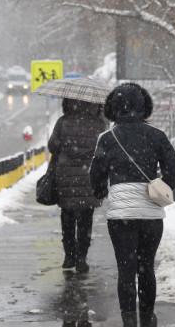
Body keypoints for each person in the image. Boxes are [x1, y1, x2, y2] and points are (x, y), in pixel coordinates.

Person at [89, 83, 175, 327]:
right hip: (151, 214)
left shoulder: (107, 139)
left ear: (114, 108)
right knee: (146, 267)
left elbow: (96, 174)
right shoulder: (156, 135)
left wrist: (101, 191)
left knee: (126, 270)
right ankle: (148, 317)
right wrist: (162, 187)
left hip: (121, 216)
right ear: (143, 107)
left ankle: (128, 319)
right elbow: (174, 170)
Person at [48, 98, 106, 273]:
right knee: (85, 219)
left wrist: (66, 149)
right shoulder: (98, 124)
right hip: (88, 176)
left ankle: (68, 256)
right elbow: (103, 150)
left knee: (67, 216)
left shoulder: (63, 122)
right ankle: (81, 259)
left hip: (66, 176)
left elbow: (52, 146)